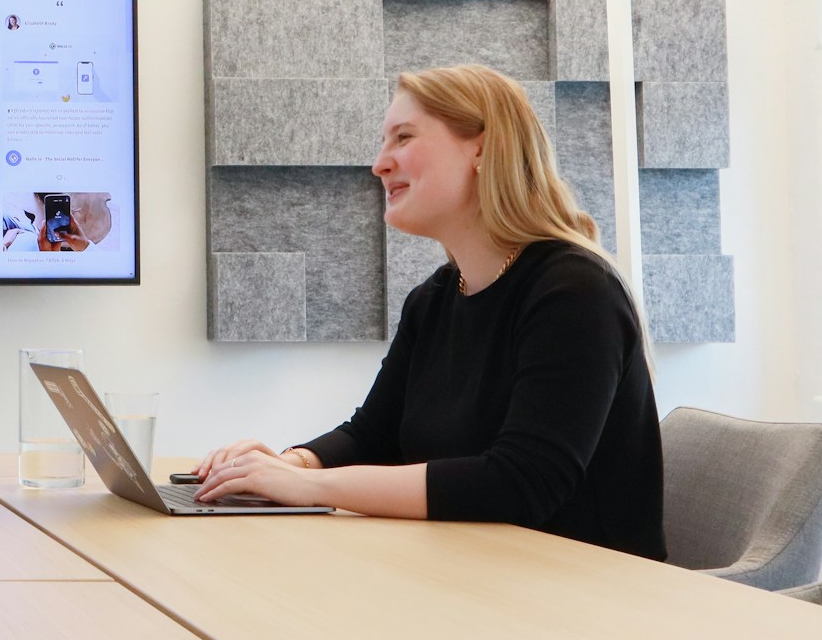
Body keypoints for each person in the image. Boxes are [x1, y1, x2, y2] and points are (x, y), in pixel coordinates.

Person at [193, 65, 666, 560]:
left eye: (403, 137)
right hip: (473, 570)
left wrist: (312, 488)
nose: (379, 165)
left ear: (481, 149)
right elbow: (373, 436)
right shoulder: (435, 297)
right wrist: (291, 464)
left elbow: (521, 484)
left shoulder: (576, 292)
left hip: (582, 589)